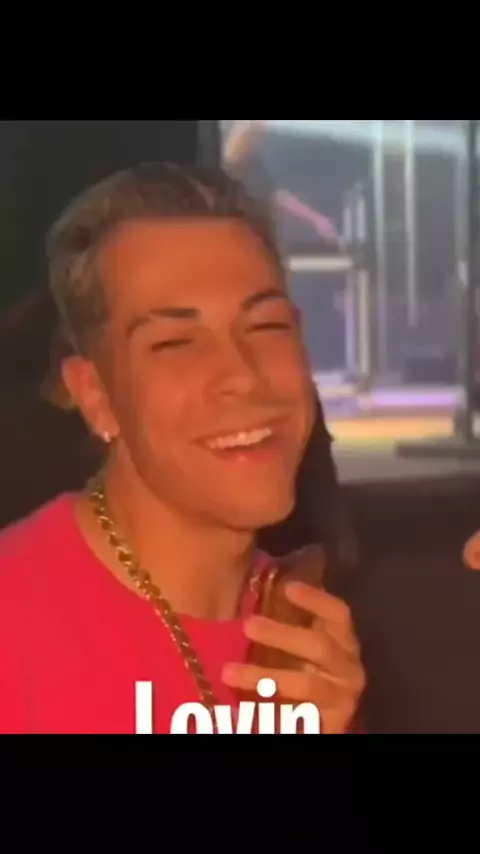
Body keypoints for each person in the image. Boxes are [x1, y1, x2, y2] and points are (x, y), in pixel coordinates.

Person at [0, 162, 364, 733]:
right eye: (175, 342)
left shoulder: (302, 628)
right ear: (96, 396)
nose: (242, 376)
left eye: (266, 326)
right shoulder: (15, 625)